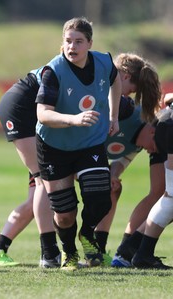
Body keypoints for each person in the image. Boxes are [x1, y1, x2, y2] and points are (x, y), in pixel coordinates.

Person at [36, 17, 121, 270]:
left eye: (78, 42)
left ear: (90, 43)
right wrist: (73, 119)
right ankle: (69, 252)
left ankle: (87, 234)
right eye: (68, 41)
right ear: (62, 43)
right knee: (64, 214)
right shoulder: (53, 71)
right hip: (53, 146)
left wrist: (113, 116)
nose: (72, 47)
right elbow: (42, 114)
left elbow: (116, 80)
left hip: (90, 142)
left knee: (101, 199)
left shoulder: (104, 61)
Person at [91, 53, 163, 265]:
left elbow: (122, 161)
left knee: (114, 187)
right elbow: (88, 139)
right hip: (71, 154)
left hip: (90, 159)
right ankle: (53, 251)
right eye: (132, 88)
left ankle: (104, 250)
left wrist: (113, 174)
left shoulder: (140, 131)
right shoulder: (119, 109)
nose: (132, 94)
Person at [0, 67, 60, 268]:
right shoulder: (91, 74)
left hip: (29, 111)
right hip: (21, 107)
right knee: (44, 180)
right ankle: (50, 253)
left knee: (36, 193)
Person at [128, 103, 173, 269]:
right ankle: (141, 252)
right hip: (169, 125)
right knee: (171, 197)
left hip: (167, 121)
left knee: (171, 197)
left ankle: (135, 246)